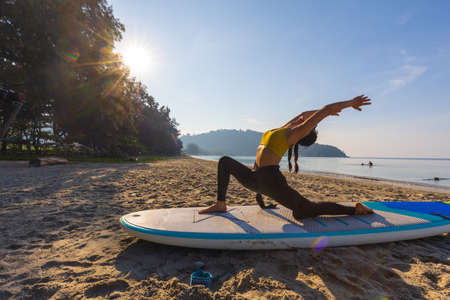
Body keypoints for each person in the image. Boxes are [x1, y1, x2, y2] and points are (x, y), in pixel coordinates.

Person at [199, 95, 374, 219]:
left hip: (271, 181)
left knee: (305, 211)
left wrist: (350, 103)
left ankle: (354, 210)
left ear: (304, 131)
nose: (304, 120)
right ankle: (221, 204)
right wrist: (319, 114)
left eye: (307, 124)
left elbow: (324, 110)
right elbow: (304, 114)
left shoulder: (292, 135)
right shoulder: (281, 130)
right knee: (224, 162)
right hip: (255, 177)